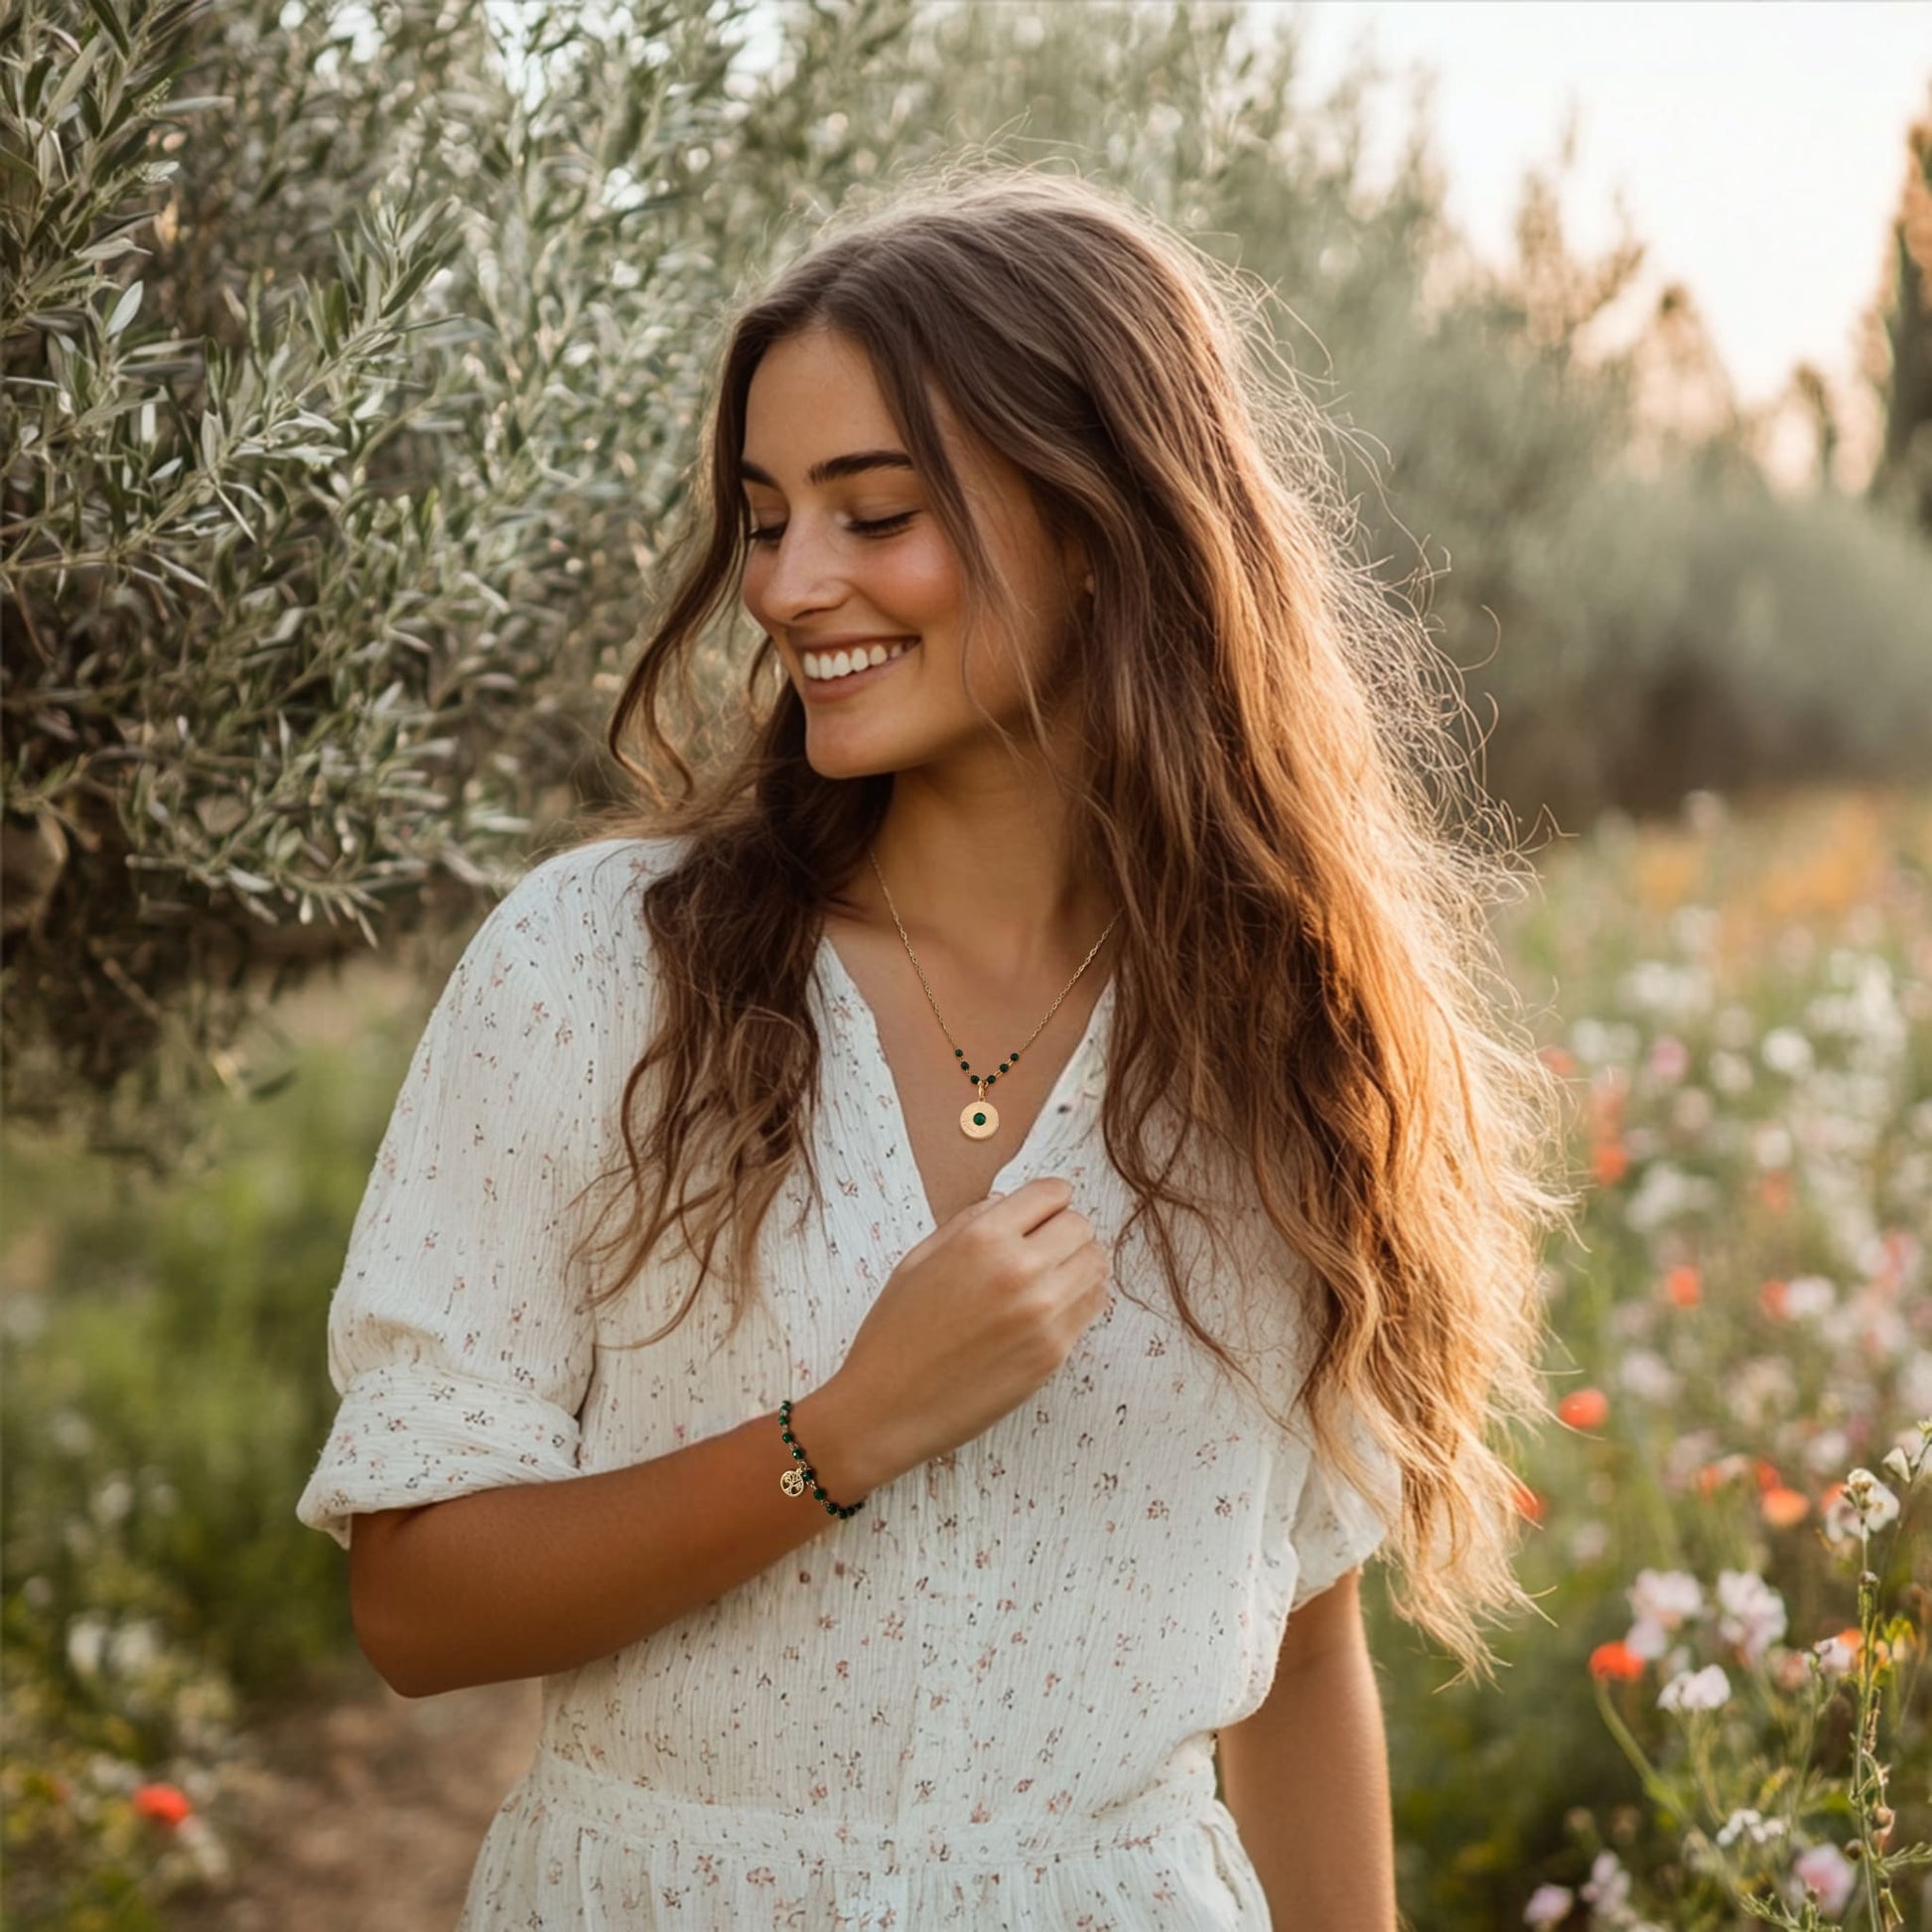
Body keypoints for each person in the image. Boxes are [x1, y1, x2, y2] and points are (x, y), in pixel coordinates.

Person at [297, 161, 1573, 1929]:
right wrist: (844, 1429)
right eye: (763, 518)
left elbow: (1292, 1649)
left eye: (872, 511)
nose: (791, 583)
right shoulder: (600, 969)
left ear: (1098, 520)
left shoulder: (1289, 1031)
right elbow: (417, 1606)